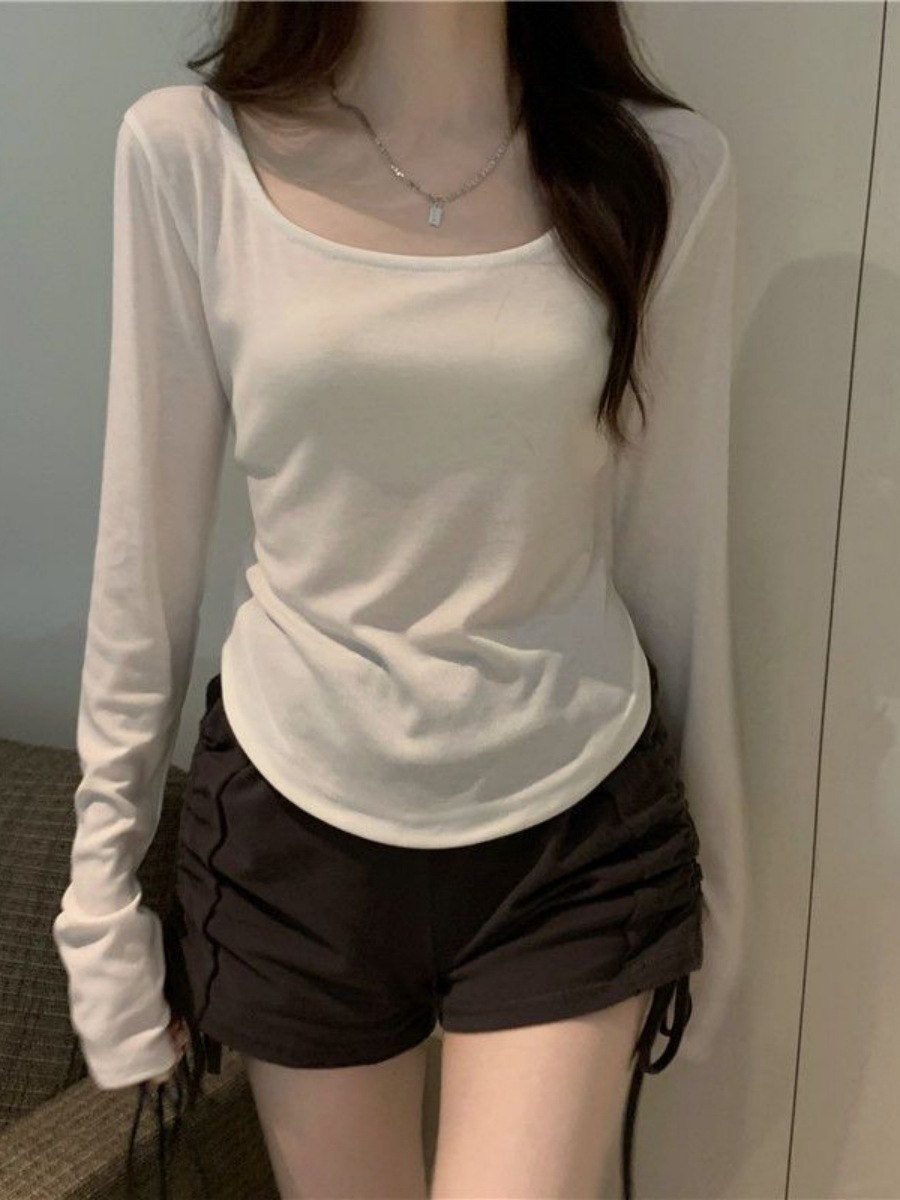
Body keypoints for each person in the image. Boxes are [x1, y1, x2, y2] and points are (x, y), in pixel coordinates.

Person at [52, 2, 747, 1197]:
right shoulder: (190, 154)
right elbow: (142, 559)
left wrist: (721, 872)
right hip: (296, 818)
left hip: (570, 820)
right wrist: (99, 893)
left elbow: (674, 558)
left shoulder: (663, 171)